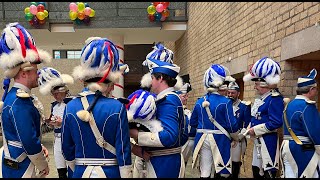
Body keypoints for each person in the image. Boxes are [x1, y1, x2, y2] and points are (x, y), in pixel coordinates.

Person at [61, 37, 132, 178]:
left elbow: (66, 149)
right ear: (110, 79)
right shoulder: (117, 107)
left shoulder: (70, 106)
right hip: (111, 172)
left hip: (80, 172)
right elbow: (123, 150)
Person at [0, 22, 51, 178]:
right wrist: (42, 165)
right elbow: (27, 139)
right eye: (35, 71)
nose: (38, 75)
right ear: (24, 73)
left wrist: (39, 146)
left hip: (16, 164)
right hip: (20, 168)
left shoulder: (16, 97)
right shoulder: (20, 101)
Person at [129, 58, 186, 178]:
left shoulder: (168, 100)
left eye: (153, 78)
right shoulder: (169, 98)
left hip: (165, 163)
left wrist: (137, 135)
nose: (151, 82)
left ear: (160, 78)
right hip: (164, 160)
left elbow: (170, 136)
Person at [189, 64, 239, 178]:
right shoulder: (226, 102)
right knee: (223, 171)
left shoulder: (199, 101)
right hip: (220, 138)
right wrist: (236, 136)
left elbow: (193, 123)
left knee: (205, 171)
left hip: (202, 138)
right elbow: (232, 125)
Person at [243, 57, 284, 178]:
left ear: (264, 83)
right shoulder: (263, 98)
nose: (255, 87)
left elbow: (276, 122)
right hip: (258, 141)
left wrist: (254, 130)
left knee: (267, 172)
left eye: (256, 84)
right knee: (256, 170)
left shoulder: (274, 99)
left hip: (268, 142)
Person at [280, 69, 320, 178]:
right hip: (302, 148)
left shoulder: (289, 105)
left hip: (286, 147)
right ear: (311, 89)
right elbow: (314, 132)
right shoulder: (308, 106)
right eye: (315, 89)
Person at [37, 67, 74, 178]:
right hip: (57, 139)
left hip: (70, 139)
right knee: (60, 169)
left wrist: (62, 123)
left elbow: (75, 123)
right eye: (54, 93)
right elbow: (51, 125)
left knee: (72, 168)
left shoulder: (72, 104)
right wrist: (48, 122)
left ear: (64, 92)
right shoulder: (54, 105)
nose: (55, 96)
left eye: (58, 93)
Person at [227, 81, 251, 178]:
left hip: (237, 138)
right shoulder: (224, 105)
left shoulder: (244, 106)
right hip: (225, 138)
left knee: (235, 164)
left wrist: (240, 136)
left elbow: (248, 123)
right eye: (228, 93)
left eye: (232, 93)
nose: (230, 95)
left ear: (238, 93)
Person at [176, 82, 195, 166]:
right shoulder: (175, 111)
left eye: (187, 96)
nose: (187, 98)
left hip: (188, 143)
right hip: (179, 144)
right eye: (184, 96)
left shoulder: (187, 111)